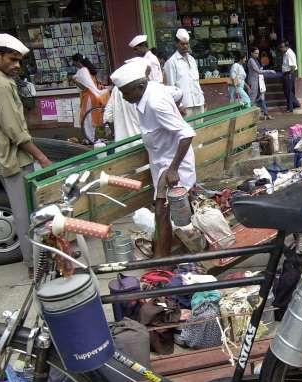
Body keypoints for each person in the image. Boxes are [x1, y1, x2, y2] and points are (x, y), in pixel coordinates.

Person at [0, 34, 52, 277]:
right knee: (25, 215)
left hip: (14, 158)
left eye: (19, 61)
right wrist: (42, 158)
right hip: (15, 160)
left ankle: (41, 258)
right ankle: (34, 264)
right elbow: (14, 132)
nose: (17, 65)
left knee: (31, 212)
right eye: (12, 59)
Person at [111, 60, 196, 258]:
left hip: (172, 166)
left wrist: (174, 168)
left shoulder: (155, 103)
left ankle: (161, 260)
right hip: (161, 164)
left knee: (162, 213)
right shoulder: (151, 90)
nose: (124, 97)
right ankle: (166, 256)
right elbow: (177, 93)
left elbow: (187, 133)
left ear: (140, 86)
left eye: (126, 92)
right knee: (168, 214)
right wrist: (176, 108)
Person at [164, 29, 205, 117]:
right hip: (184, 106)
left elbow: (196, 82)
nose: (185, 46)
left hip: (198, 102)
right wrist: (179, 105)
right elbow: (171, 87)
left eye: (187, 44)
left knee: (201, 130)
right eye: (182, 44)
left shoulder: (192, 60)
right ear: (176, 44)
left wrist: (203, 99)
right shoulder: (171, 62)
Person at [71, 53, 109, 142]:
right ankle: (98, 137)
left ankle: (90, 138)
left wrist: (74, 80)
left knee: (88, 119)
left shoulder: (83, 71)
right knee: (95, 117)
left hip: (89, 97)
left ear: (78, 61)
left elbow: (84, 87)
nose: (73, 64)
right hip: (95, 96)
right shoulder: (88, 70)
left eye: (74, 62)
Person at [247, 47, 276, 120]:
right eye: (255, 53)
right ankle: (250, 117)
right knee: (252, 99)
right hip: (253, 82)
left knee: (261, 98)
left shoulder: (255, 60)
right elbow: (258, 71)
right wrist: (270, 71)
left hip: (258, 81)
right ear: (251, 53)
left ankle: (265, 114)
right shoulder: (251, 60)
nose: (257, 55)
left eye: (258, 53)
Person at [278, 40, 300, 112]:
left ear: (286, 46)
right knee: (287, 90)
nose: (281, 48)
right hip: (286, 74)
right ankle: (295, 104)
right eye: (280, 47)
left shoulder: (289, 53)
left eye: (282, 47)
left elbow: (293, 66)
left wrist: (290, 75)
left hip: (289, 74)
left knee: (289, 91)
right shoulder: (286, 53)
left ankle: (290, 108)